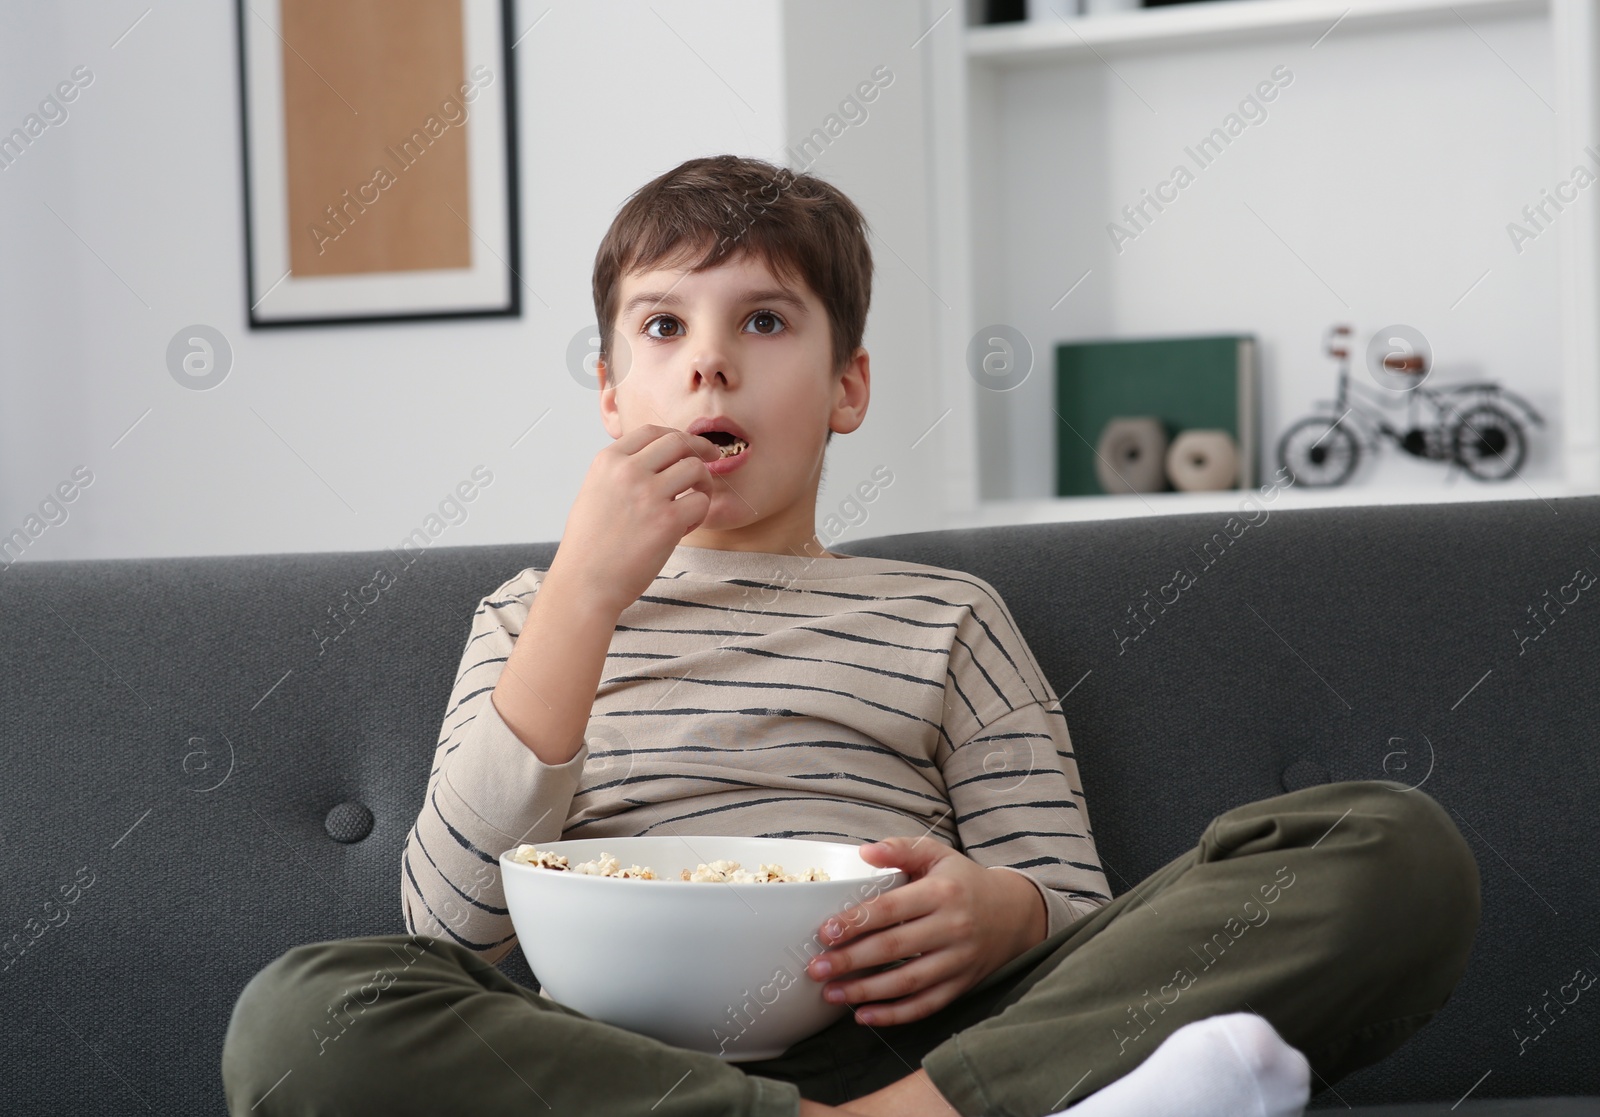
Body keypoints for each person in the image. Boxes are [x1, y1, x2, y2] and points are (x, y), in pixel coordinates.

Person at [221, 154, 1480, 1117]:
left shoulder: (945, 615)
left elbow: (1072, 903)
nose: (708, 366)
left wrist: (999, 914)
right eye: (664, 327)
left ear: (845, 389)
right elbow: (447, 930)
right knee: (301, 1016)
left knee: (1387, 844)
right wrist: (585, 599)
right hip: (616, 1063)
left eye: (763, 322)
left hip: (932, 1039)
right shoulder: (531, 615)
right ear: (612, 392)